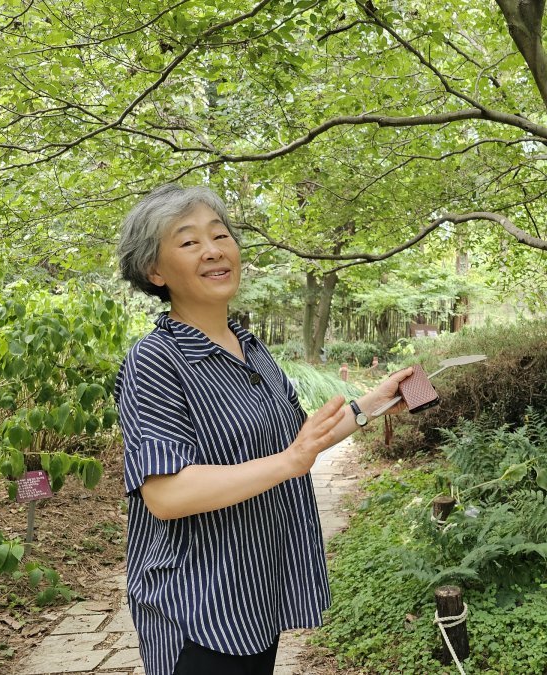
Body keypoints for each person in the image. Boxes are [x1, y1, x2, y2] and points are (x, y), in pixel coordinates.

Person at [113, 184, 411, 675]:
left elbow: (298, 442)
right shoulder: (156, 360)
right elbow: (167, 493)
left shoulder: (250, 349)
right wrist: (289, 462)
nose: (213, 250)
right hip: (197, 604)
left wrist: (372, 403)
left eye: (220, 234)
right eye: (188, 242)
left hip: (257, 588)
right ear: (155, 270)